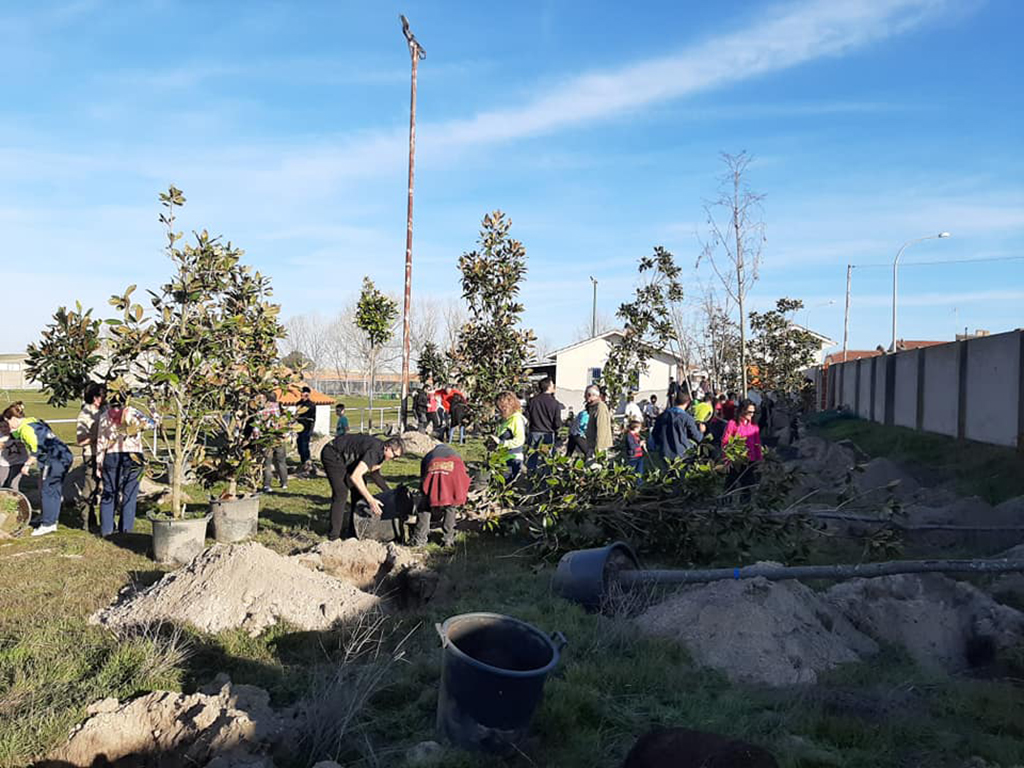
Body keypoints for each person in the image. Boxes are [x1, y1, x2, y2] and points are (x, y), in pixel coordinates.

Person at [0, 401, 73, 536]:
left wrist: (27, 465)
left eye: (8, 422)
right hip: (65, 454)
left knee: (47, 490)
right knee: (54, 489)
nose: (8, 426)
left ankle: (48, 524)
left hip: (54, 459)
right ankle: (50, 517)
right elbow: (16, 435)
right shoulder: (31, 421)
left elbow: (36, 450)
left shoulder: (26, 430)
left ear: (14, 418)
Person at [320, 433, 404, 540]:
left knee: (358, 492)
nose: (395, 459)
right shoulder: (375, 452)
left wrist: (388, 492)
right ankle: (333, 537)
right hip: (332, 453)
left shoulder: (381, 453)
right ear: (387, 448)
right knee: (341, 493)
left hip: (346, 458)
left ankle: (353, 533)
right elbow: (355, 477)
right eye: (395, 455)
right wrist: (371, 500)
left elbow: (375, 474)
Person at [95, 395, 153, 537]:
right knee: (130, 494)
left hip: (111, 455)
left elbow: (101, 441)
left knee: (109, 493)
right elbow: (151, 424)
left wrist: (99, 462)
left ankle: (106, 530)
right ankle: (126, 531)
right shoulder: (133, 412)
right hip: (133, 455)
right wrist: (152, 408)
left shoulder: (104, 416)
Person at [413, 443, 470, 547]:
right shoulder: (456, 454)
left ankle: (420, 539)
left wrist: (425, 493)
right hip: (453, 476)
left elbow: (423, 477)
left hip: (433, 472)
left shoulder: (429, 455)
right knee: (451, 507)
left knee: (425, 506)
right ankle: (448, 539)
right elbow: (462, 473)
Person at [75, 382, 107, 530]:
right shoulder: (85, 414)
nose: (105, 398)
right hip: (92, 455)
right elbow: (81, 440)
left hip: (106, 454)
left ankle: (104, 521)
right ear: (95, 398)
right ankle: (87, 521)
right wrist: (98, 437)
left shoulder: (105, 410)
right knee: (90, 487)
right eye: (103, 396)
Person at [722, 398, 763, 500]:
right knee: (730, 485)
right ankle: (726, 504)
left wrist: (759, 460)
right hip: (735, 459)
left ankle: (744, 505)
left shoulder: (754, 426)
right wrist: (727, 459)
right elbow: (725, 441)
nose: (751, 414)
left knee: (746, 486)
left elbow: (757, 444)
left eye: (753, 412)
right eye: (749, 412)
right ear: (742, 410)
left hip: (749, 460)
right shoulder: (732, 424)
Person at [650, 391, 704, 462]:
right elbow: (697, 437)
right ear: (687, 402)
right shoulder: (687, 418)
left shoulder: (662, 416)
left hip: (665, 454)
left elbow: (655, 435)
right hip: (683, 455)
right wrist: (701, 431)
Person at [525, 377, 562, 473]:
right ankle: (546, 476)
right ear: (549, 387)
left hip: (534, 431)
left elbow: (527, 416)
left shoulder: (533, 401)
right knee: (546, 457)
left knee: (532, 456)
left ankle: (531, 475)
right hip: (547, 434)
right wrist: (557, 429)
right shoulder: (554, 403)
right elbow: (557, 422)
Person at [494, 391, 527, 479]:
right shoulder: (505, 420)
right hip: (502, 458)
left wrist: (501, 443)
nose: (500, 409)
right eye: (498, 407)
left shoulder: (516, 419)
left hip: (512, 459)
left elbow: (520, 440)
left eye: (503, 406)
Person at [259, 393, 288, 493]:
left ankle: (267, 485)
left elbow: (258, 424)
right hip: (279, 437)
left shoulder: (263, 409)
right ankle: (284, 483)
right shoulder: (280, 408)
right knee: (281, 461)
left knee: (267, 463)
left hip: (267, 437)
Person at [584, 384, 613, 458]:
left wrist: (598, 449)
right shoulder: (593, 407)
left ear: (590, 395)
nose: (584, 397)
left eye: (585, 395)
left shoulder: (600, 407)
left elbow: (601, 429)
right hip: (593, 446)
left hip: (599, 448)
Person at [0, 419, 29, 491]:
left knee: (13, 484)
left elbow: (28, 442)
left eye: (6, 426)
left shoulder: (17, 433)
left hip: (19, 461)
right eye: (1, 427)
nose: (3, 429)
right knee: (2, 483)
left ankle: (15, 496)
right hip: (4, 463)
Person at [295, 387, 316, 468]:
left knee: (304, 446)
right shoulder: (298, 404)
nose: (301, 394)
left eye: (303, 393)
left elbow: (312, 418)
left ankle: (307, 461)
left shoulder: (311, 405)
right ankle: (302, 461)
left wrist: (311, 430)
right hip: (299, 428)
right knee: (299, 445)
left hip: (307, 428)